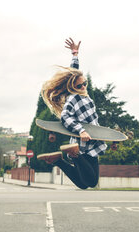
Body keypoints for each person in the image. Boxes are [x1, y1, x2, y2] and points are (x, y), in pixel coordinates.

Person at [37, 38, 107, 189]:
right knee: (92, 182)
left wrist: (75, 54)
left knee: (83, 184)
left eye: (85, 83)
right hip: (84, 144)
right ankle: (75, 154)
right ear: (73, 87)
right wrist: (81, 131)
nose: (83, 86)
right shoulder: (73, 99)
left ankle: (58, 160)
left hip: (85, 142)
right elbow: (65, 117)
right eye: (79, 85)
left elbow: (72, 74)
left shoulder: (80, 94)